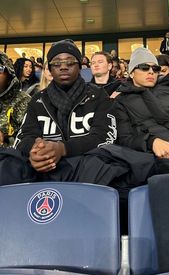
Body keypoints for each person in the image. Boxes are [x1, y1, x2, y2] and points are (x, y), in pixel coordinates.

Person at [4, 39, 117, 183]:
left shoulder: (98, 95)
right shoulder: (38, 99)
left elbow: (105, 137)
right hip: (43, 169)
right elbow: (23, 138)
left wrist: (63, 149)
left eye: (70, 62)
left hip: (86, 171)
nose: (63, 67)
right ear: (50, 69)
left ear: (80, 67)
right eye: (56, 63)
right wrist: (35, 151)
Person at [0, 51, 31, 146]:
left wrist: (6, 139)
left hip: (10, 157)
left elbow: (31, 139)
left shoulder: (24, 100)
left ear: (8, 72)